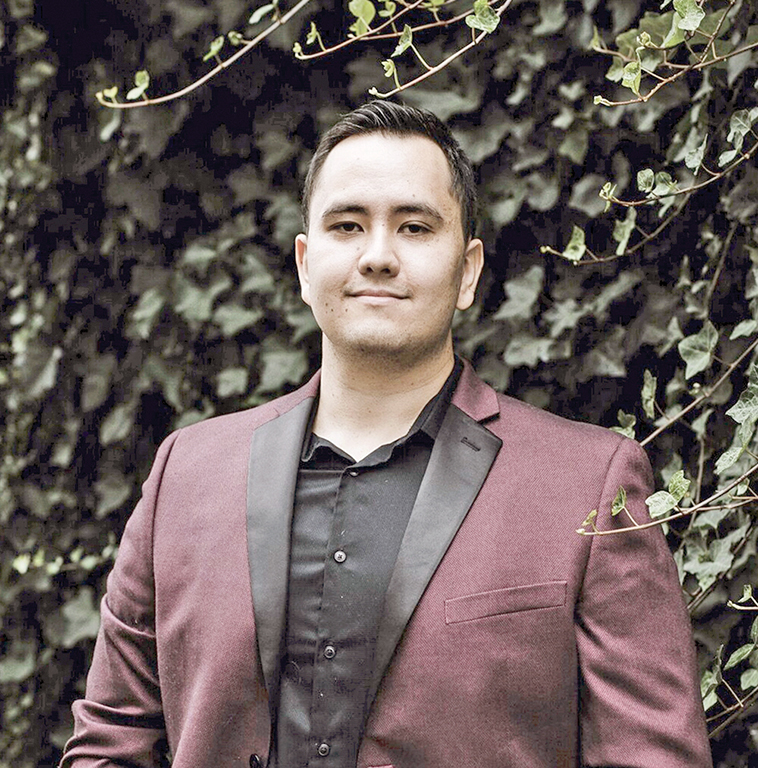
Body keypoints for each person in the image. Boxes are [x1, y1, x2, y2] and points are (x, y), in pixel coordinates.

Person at [61, 101, 712, 768]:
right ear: (304, 265)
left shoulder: (587, 484)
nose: (377, 256)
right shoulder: (186, 474)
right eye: (347, 225)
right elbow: (110, 744)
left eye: (415, 227)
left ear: (467, 270)